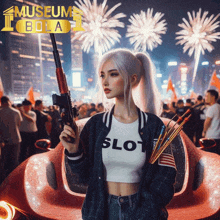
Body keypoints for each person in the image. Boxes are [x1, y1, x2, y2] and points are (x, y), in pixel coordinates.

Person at [60, 49, 177, 220]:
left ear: (133, 78)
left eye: (113, 74)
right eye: (102, 75)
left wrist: (147, 209)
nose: (105, 82)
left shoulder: (154, 125)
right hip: (101, 210)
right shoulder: (96, 125)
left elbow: (166, 174)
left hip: (141, 210)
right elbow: (84, 177)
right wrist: (73, 151)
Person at [0, 96, 22, 181]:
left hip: (3, 140)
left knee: (4, 160)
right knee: (14, 160)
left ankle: (3, 180)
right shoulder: (16, 112)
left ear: (1, 102)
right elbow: (18, 124)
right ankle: (14, 179)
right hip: (16, 138)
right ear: (9, 101)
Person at [202, 90, 220, 155]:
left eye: (207, 96)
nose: (205, 98)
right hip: (218, 136)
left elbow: (208, 121)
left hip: (211, 136)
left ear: (213, 97)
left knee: (210, 155)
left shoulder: (212, 108)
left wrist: (204, 131)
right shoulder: (218, 106)